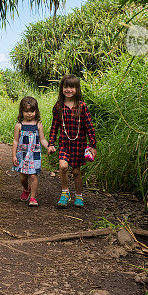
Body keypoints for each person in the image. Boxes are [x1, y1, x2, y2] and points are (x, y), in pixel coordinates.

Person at [47, 74, 97, 208]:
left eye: (72, 87)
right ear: (61, 88)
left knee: (76, 172)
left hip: (79, 144)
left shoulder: (82, 106)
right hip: (64, 143)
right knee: (63, 167)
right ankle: (65, 193)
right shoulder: (58, 106)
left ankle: (79, 196)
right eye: (66, 87)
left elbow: (89, 126)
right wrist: (51, 143)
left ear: (77, 89)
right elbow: (54, 127)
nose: (68, 90)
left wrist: (93, 145)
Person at [12, 96, 48, 206]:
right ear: (21, 112)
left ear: (36, 111)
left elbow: (42, 139)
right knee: (23, 176)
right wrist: (14, 156)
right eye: (26, 111)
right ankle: (26, 189)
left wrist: (49, 147)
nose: (29, 114)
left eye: (32, 111)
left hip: (34, 154)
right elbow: (15, 141)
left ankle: (33, 198)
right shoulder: (19, 125)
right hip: (22, 155)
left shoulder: (38, 124)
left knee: (33, 176)